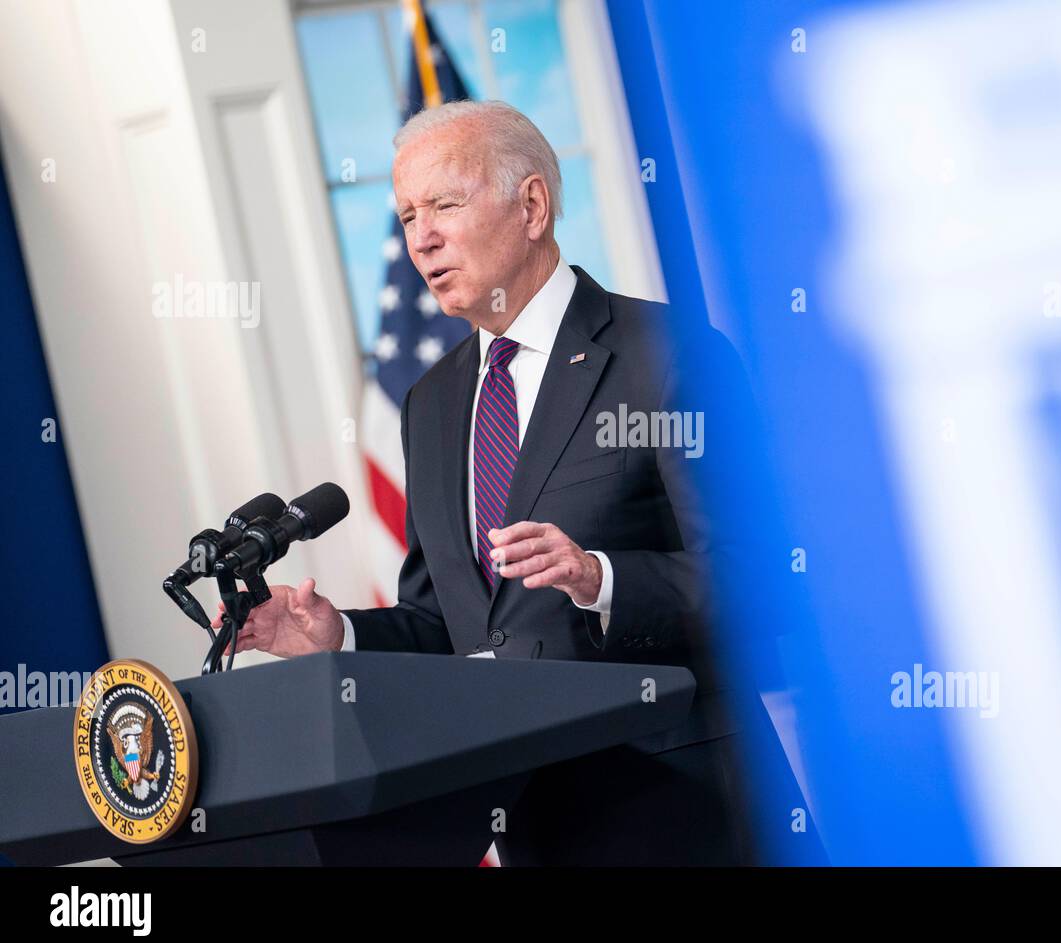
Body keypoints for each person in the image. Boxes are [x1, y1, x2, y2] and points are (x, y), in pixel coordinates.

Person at [217, 100, 824, 865]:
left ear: (531, 204)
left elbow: (764, 581)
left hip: (686, 811)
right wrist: (338, 635)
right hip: (530, 825)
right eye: (407, 216)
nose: (421, 237)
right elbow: (450, 625)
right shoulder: (431, 403)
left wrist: (600, 579)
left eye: (444, 204)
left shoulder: (665, 352)